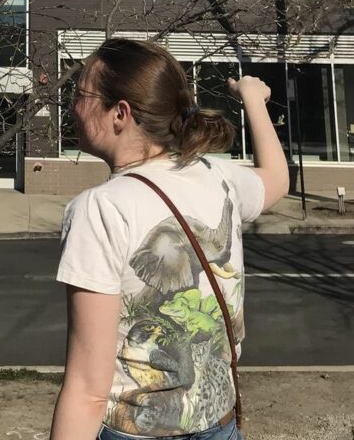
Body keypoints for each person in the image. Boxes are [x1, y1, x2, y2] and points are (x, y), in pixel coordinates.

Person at [50, 37, 289, 440]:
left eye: (81, 94)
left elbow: (89, 391)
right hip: (221, 425)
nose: (72, 105)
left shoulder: (100, 209)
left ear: (120, 113)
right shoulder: (217, 175)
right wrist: (254, 100)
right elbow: (278, 180)